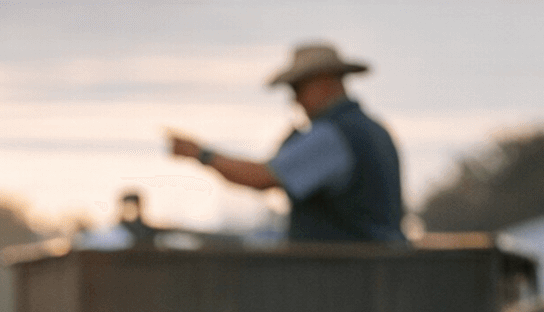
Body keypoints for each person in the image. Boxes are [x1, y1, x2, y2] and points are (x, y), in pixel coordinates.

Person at [169, 42, 405, 243]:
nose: (295, 99)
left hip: (341, 281)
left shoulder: (331, 136)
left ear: (324, 82)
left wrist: (202, 154)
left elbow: (261, 177)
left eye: (298, 88)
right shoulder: (374, 130)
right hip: (374, 275)